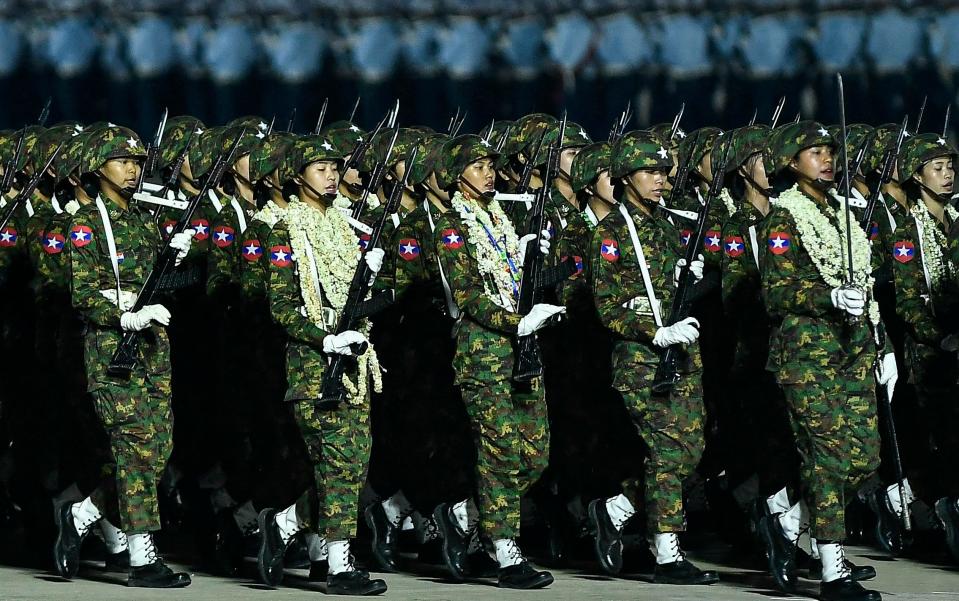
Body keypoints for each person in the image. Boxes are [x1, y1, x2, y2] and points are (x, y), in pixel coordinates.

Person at [55, 124, 194, 588]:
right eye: (122, 161)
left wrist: (176, 260)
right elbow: (83, 294)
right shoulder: (85, 223)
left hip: (153, 351)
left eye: (136, 162)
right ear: (99, 167)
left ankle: (82, 514)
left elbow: (156, 284)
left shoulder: (141, 219)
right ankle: (141, 556)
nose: (133, 170)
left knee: (156, 452)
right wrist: (124, 316)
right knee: (135, 450)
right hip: (114, 349)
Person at [759, 121, 889, 601]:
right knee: (829, 459)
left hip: (852, 351)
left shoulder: (842, 213)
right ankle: (834, 571)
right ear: (792, 164)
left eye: (829, 152)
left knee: (864, 456)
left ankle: (786, 520)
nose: (827, 160)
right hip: (807, 356)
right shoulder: (782, 217)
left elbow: (867, 282)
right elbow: (776, 292)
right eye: (814, 153)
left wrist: (883, 344)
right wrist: (829, 295)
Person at [256, 135, 388, 596]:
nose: (332, 175)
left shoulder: (345, 225)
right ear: (297, 176)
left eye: (335, 168)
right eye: (320, 168)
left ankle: (287, 521)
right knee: (337, 466)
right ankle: (337, 565)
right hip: (314, 364)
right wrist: (325, 338)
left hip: (354, 361)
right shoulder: (281, 229)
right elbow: (282, 306)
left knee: (352, 465)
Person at [431, 134, 563, 589]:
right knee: (501, 454)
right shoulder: (451, 224)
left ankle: (463, 515)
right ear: (456, 175)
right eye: (478, 166)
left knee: (536, 453)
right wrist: (518, 322)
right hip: (484, 354)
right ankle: (506, 552)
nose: (489, 173)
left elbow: (512, 279)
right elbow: (466, 294)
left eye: (491, 165)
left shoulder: (500, 218)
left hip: (522, 349)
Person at [588, 129, 716, 586]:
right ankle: (667, 552)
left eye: (664, 170)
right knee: (666, 452)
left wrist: (690, 276)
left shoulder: (665, 225)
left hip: (681, 355)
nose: (661, 179)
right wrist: (655, 331)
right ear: (625, 176)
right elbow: (608, 305)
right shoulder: (612, 233)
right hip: (643, 359)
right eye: (650, 171)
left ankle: (615, 509)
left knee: (690, 449)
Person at [887, 134, 959, 563]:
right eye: (937, 167)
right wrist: (943, 338)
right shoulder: (906, 232)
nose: (947, 175)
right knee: (941, 437)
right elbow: (909, 301)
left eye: (951, 166)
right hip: (932, 352)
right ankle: (940, 508)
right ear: (917, 176)